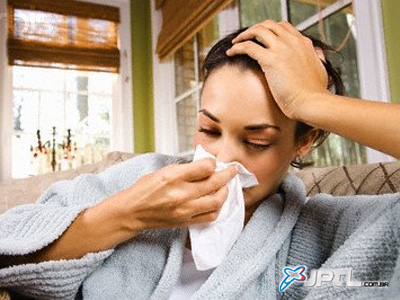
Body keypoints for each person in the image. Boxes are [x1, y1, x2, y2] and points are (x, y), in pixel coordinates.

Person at [0, 20, 399, 300]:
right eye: (209, 129)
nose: (223, 157)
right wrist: (128, 214)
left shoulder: (323, 234)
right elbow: (10, 246)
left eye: (257, 141)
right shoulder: (143, 177)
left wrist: (311, 101)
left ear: (304, 141)